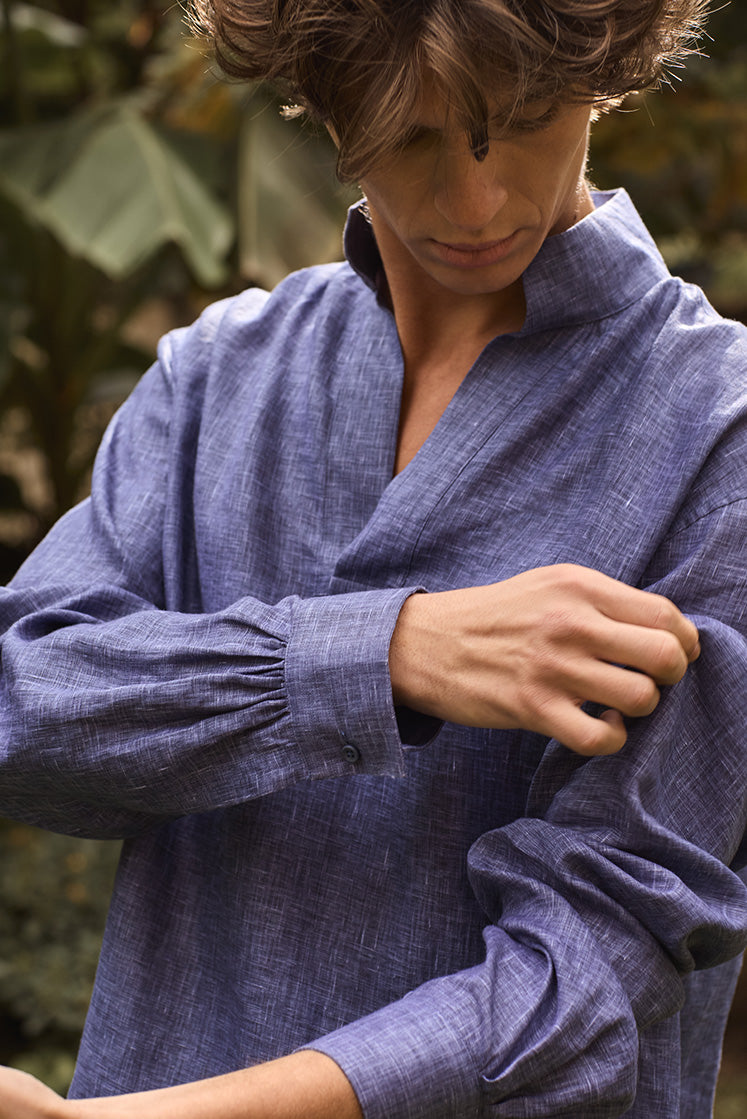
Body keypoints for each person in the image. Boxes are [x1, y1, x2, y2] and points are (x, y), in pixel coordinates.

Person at [0, 0, 745, 1116]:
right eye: (411, 138)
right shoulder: (216, 377)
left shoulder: (718, 430)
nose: (475, 202)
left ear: (610, 70)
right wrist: (380, 656)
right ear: (328, 105)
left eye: (528, 119)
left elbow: (601, 965)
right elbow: (26, 709)